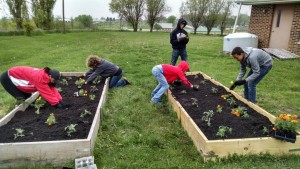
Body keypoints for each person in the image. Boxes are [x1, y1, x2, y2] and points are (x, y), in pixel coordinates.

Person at [0, 66, 66, 108]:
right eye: (54, 80)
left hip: (17, 74)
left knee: (28, 97)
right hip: (8, 78)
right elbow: (47, 93)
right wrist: (56, 104)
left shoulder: (47, 76)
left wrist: (60, 100)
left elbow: (52, 88)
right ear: (50, 76)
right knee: (22, 99)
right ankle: (17, 108)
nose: (55, 81)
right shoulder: (40, 79)